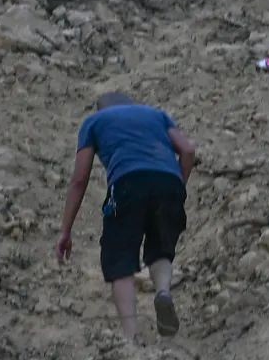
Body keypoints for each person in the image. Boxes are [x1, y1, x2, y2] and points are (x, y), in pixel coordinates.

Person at [55, 91, 198, 342]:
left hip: (127, 183)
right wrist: (177, 187)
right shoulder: (157, 115)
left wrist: (66, 230)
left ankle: (131, 336)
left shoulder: (94, 122)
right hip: (168, 181)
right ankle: (163, 291)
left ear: (101, 109)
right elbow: (187, 150)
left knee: (119, 257)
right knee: (160, 248)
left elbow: (79, 179)